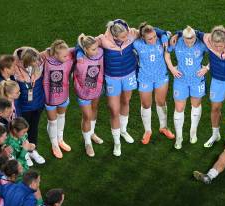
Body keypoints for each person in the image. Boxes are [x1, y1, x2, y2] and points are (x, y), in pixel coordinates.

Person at [173, 25, 225, 148]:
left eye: (220, 46)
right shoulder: (208, 41)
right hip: (217, 80)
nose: (218, 49)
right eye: (215, 46)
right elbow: (193, 32)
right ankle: (215, 134)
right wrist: (178, 33)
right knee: (215, 108)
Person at [96, 19, 139, 156]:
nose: (127, 38)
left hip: (129, 75)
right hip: (112, 79)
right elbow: (85, 45)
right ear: (114, 36)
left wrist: (166, 34)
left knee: (126, 102)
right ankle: (117, 143)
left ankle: (123, 131)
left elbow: (147, 30)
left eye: (126, 35)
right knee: (114, 110)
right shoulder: (103, 40)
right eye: (123, 37)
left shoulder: (131, 33)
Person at [165, 26, 209, 149]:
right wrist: (172, 68)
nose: (189, 42)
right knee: (179, 108)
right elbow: (167, 53)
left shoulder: (201, 43)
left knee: (196, 106)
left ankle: (192, 133)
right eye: (186, 39)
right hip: (181, 80)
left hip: (197, 80)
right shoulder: (177, 41)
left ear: (195, 36)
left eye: (191, 39)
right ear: (182, 37)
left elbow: (215, 54)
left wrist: (207, 68)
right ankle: (179, 138)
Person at [134, 22, 175, 145]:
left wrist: (162, 35)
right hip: (144, 78)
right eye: (149, 38)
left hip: (161, 77)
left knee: (161, 102)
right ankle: (147, 131)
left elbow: (169, 33)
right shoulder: (136, 44)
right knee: (146, 104)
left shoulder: (161, 40)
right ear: (143, 38)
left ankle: (164, 127)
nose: (153, 40)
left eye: (154, 37)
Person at [12, 46, 46, 164]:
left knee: (34, 128)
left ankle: (33, 150)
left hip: (38, 104)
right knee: (22, 130)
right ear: (26, 61)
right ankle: (24, 153)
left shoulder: (39, 62)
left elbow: (53, 50)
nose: (38, 62)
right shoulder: (14, 68)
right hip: (23, 107)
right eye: (34, 61)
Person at [42, 39, 75, 159]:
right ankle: (54, 144)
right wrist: (47, 51)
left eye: (67, 54)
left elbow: (78, 47)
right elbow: (38, 55)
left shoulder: (68, 58)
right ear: (55, 54)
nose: (67, 57)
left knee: (62, 117)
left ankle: (60, 140)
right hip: (50, 98)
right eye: (64, 55)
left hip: (64, 96)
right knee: (52, 121)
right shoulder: (45, 61)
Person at [75, 34, 105, 157]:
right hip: (83, 92)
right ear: (85, 49)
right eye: (93, 49)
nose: (96, 51)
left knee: (94, 110)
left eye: (96, 48)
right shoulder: (79, 57)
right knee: (87, 116)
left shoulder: (101, 52)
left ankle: (91, 133)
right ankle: (88, 143)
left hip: (97, 89)